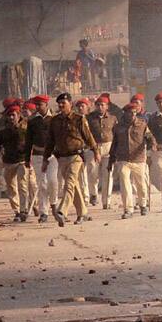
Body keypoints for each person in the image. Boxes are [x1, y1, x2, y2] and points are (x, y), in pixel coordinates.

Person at [44, 93, 99, 227]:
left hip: (76, 157)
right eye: (59, 103)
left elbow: (88, 136)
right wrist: (45, 159)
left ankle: (62, 211)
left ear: (70, 104)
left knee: (69, 183)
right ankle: (83, 213)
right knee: (73, 186)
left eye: (64, 103)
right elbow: (50, 142)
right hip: (62, 157)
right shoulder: (54, 121)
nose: (61, 105)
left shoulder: (79, 119)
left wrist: (95, 151)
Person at [108, 103, 156, 218]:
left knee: (141, 185)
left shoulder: (142, 125)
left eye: (135, 112)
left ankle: (143, 205)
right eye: (130, 112)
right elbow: (114, 144)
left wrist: (152, 146)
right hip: (123, 159)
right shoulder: (118, 127)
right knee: (125, 184)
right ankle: (128, 209)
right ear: (125, 113)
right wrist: (111, 160)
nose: (133, 114)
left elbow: (150, 138)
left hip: (138, 159)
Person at [0, 105, 31, 222]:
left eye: (13, 115)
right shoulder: (3, 132)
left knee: (22, 185)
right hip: (8, 162)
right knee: (11, 188)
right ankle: (17, 211)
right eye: (9, 115)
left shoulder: (26, 129)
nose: (11, 118)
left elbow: (31, 143)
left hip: (22, 160)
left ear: (18, 115)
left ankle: (24, 210)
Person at [25, 95, 59, 223]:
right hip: (38, 155)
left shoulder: (55, 119)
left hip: (53, 155)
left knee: (52, 181)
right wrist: (27, 158)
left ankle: (54, 204)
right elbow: (28, 141)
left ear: (46, 105)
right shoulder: (32, 121)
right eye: (36, 105)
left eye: (40, 105)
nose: (38, 107)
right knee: (42, 184)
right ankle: (43, 212)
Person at [87, 95, 117, 209]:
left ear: (107, 106)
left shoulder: (113, 118)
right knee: (92, 173)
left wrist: (115, 149)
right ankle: (93, 193)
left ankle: (106, 201)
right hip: (94, 147)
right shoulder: (89, 118)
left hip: (108, 147)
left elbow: (116, 133)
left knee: (108, 174)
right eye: (98, 105)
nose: (100, 107)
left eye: (102, 105)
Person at [75, 98, 99, 205]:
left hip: (90, 149)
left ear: (88, 107)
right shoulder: (74, 119)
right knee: (81, 174)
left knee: (92, 173)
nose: (80, 108)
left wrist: (95, 149)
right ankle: (85, 197)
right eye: (79, 106)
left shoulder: (92, 119)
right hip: (79, 150)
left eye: (83, 106)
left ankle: (93, 193)